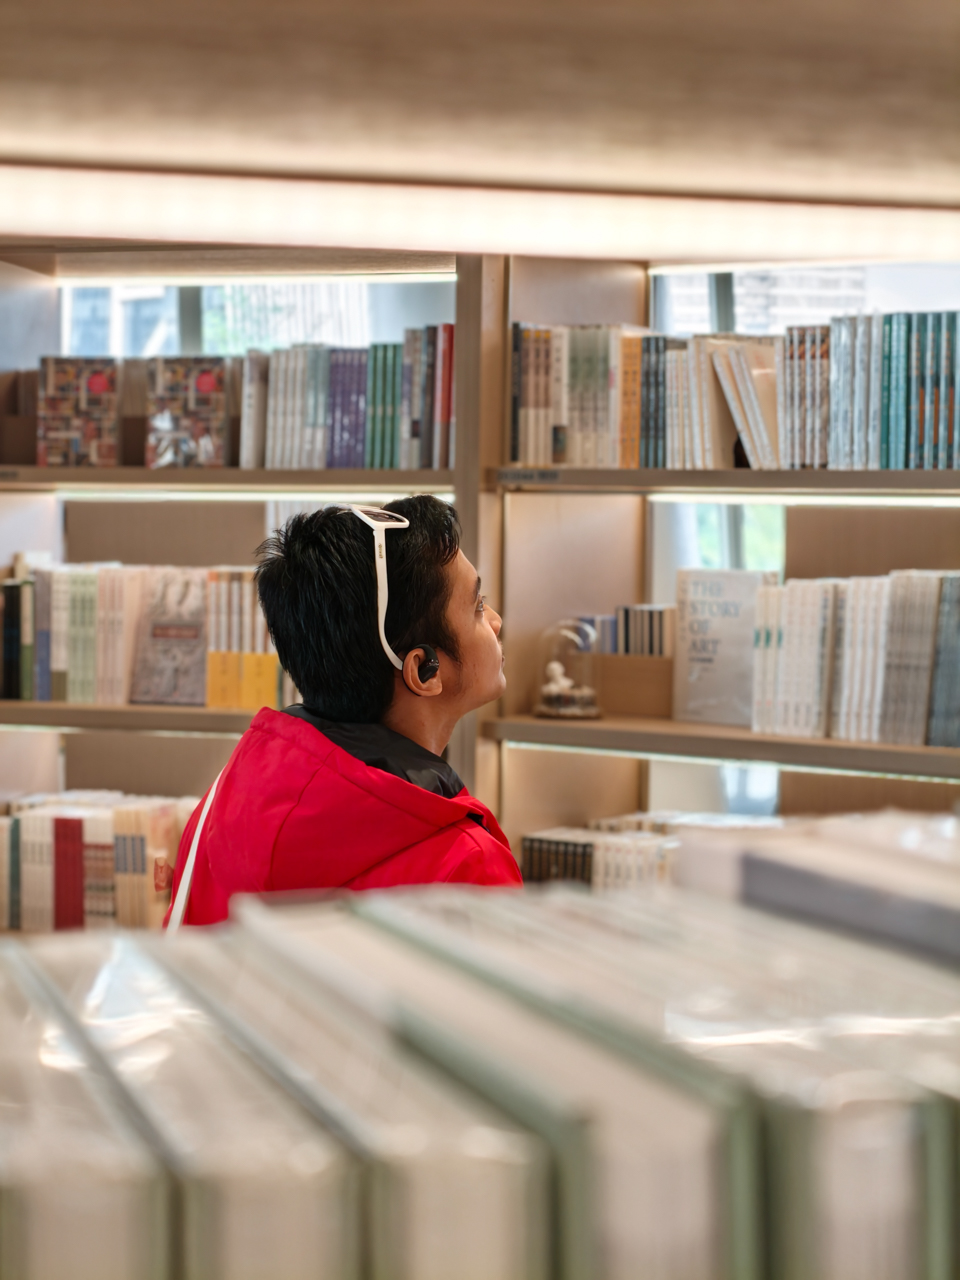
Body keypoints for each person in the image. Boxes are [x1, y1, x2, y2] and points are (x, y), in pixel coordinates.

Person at [164, 495, 519, 926]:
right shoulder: (468, 866)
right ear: (423, 670)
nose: (495, 620)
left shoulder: (221, 807)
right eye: (477, 607)